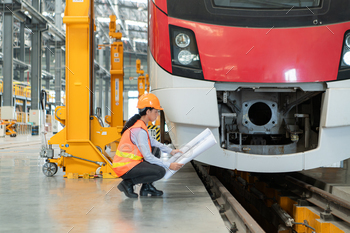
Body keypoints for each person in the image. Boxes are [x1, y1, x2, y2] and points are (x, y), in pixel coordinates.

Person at [113, 93, 184, 198]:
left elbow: (153, 142)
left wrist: (171, 151)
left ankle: (146, 187)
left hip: (132, 164)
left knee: (155, 149)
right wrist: (169, 165)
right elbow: (148, 157)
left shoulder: (141, 125)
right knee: (160, 171)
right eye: (156, 112)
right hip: (124, 167)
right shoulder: (139, 130)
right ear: (148, 111)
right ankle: (128, 183)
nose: (157, 115)